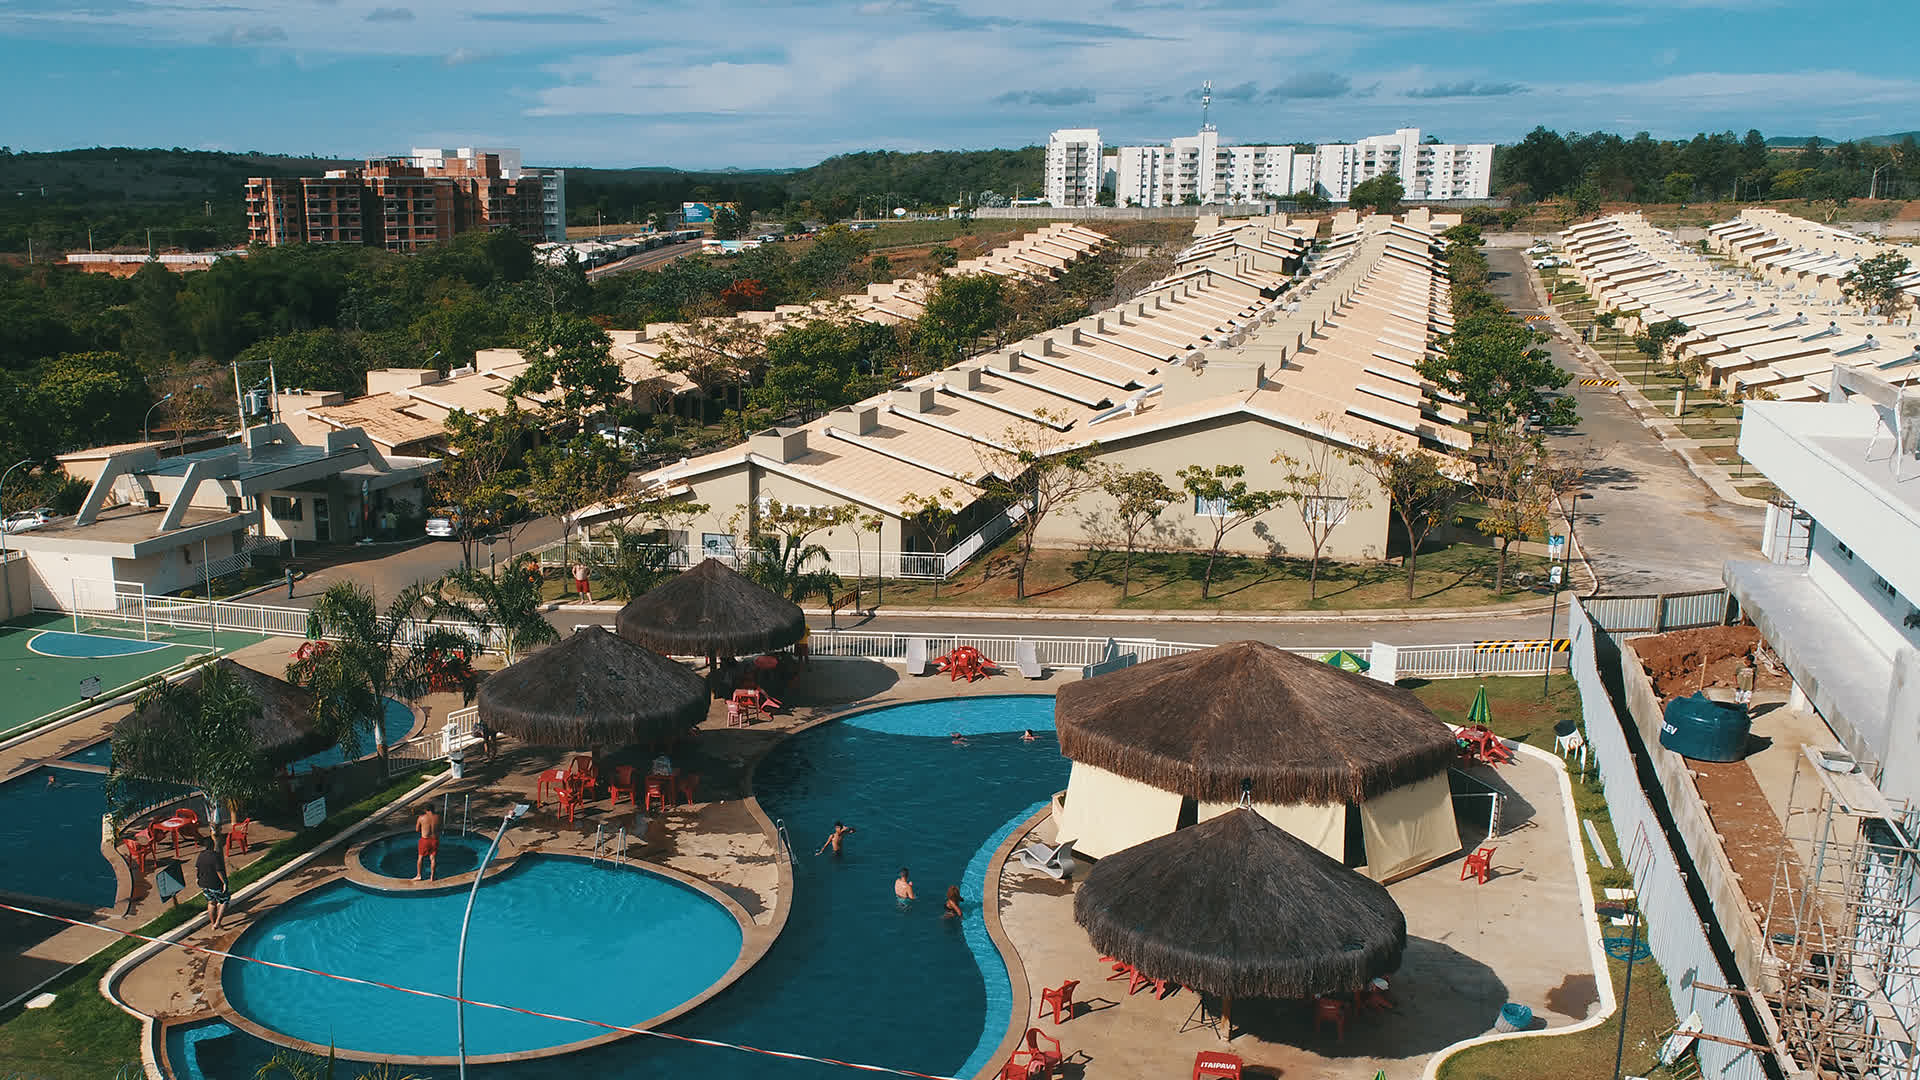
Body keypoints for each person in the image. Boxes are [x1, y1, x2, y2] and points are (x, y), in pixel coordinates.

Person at [196, 840, 230, 930]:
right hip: (215, 884)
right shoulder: (215, 856)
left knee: (211, 902)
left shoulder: (201, 855)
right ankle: (217, 922)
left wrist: (197, 878)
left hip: (203, 883)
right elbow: (218, 871)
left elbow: (197, 868)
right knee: (224, 901)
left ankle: (212, 923)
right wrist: (224, 882)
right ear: (213, 845)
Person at [415, 803, 441, 881]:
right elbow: (440, 827)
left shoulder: (421, 818)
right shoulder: (438, 817)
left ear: (426, 810)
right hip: (434, 840)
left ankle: (419, 875)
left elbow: (417, 829)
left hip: (425, 840)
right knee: (433, 858)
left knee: (420, 857)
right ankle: (432, 877)